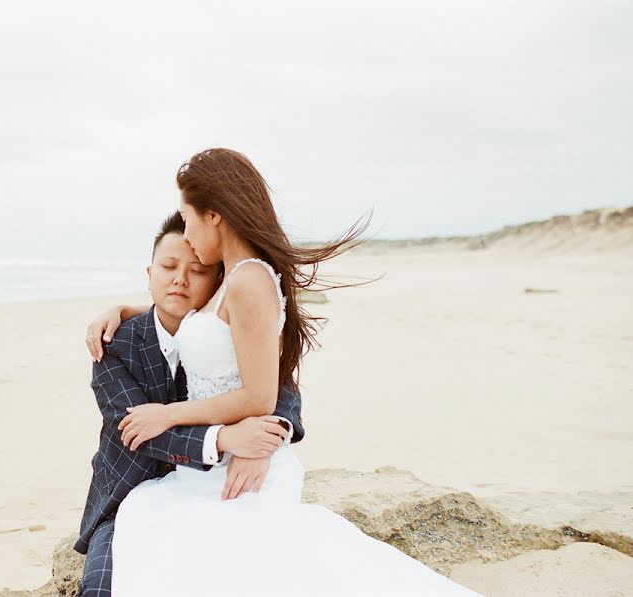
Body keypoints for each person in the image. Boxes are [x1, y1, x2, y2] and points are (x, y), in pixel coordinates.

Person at [92, 148, 480, 596]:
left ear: (214, 214)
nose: (188, 235)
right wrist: (125, 310)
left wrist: (168, 414)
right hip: (203, 471)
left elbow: (260, 398)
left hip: (236, 469)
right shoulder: (232, 278)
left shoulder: (248, 279)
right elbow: (204, 324)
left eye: (189, 217)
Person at [75, 211, 306, 596]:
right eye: (168, 267)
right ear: (149, 274)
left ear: (218, 282)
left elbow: (278, 385)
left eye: (196, 270)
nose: (180, 279)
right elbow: (138, 432)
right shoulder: (113, 346)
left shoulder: (218, 334)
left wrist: (266, 437)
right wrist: (229, 439)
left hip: (211, 490)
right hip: (131, 494)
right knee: (103, 589)